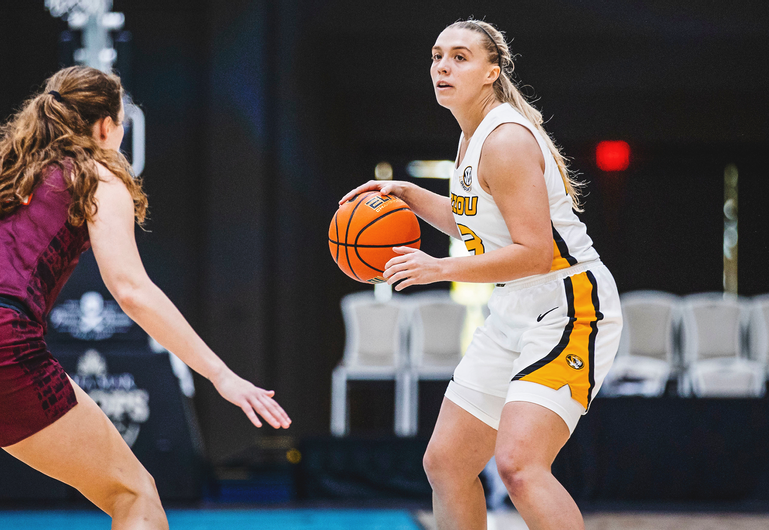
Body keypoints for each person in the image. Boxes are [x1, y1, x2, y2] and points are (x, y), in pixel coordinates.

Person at [340, 19, 622, 530]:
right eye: (436, 56)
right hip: (516, 307)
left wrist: (438, 268)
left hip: (568, 304)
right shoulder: (471, 137)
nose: (443, 66)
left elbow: (535, 253)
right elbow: (475, 224)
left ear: (492, 72)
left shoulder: (505, 139)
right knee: (446, 464)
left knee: (518, 466)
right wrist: (406, 193)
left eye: (460, 57)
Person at [0, 66, 291, 529]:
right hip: (6, 345)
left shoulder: (10, 169)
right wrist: (221, 375)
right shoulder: (95, 175)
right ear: (106, 127)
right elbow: (132, 290)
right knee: (134, 495)